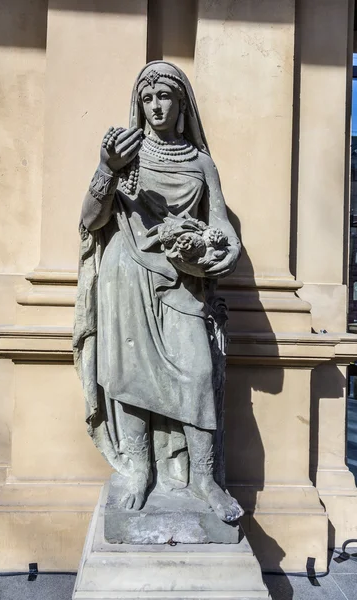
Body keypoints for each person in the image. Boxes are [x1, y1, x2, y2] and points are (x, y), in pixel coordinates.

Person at [74, 61, 243, 523]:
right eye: (147, 98)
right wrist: (107, 169)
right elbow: (91, 220)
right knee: (130, 376)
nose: (155, 106)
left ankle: (205, 479)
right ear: (139, 104)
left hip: (183, 282)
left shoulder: (201, 162)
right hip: (127, 275)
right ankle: (138, 470)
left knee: (197, 373)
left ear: (181, 103)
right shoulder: (123, 156)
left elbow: (220, 224)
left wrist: (228, 249)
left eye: (164, 96)